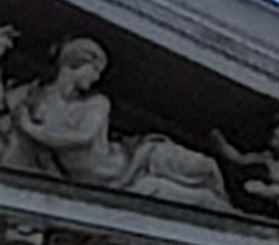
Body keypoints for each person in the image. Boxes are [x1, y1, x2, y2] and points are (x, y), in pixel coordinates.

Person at [3, 37, 230, 210]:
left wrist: (32, 129)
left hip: (134, 159)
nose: (96, 78)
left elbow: (82, 138)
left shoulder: (97, 103)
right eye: (94, 70)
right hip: (121, 187)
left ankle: (242, 215)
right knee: (197, 199)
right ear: (75, 65)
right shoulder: (33, 97)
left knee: (205, 166)